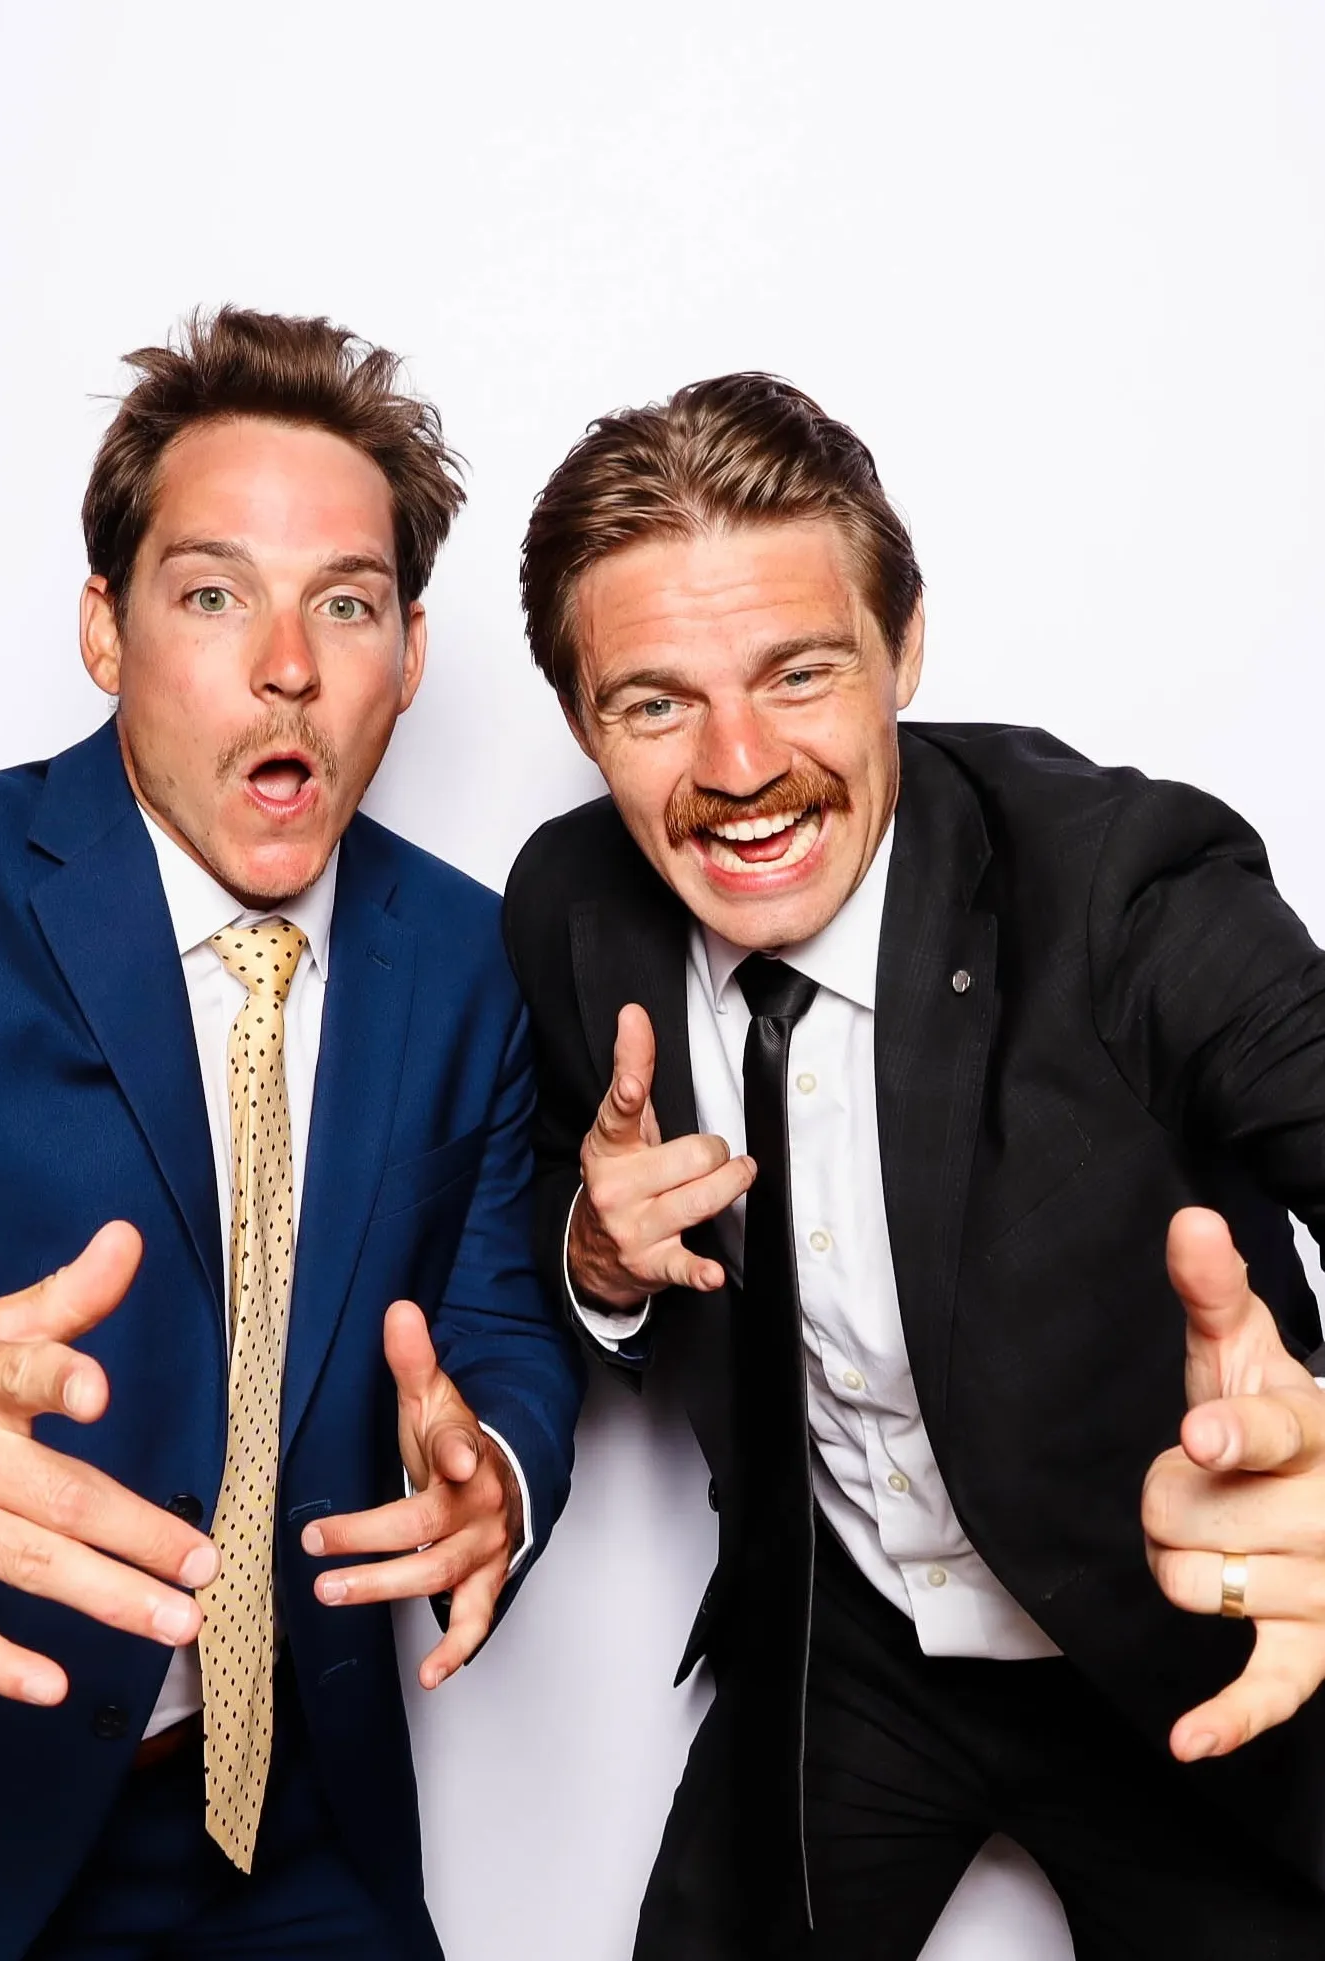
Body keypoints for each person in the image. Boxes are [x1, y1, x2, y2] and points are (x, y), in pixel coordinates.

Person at [0, 306, 584, 1961]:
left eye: (345, 604)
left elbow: (496, 1325)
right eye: (213, 594)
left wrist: (495, 1474)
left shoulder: (478, 962)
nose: (289, 664)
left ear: (410, 656)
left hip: (305, 1840)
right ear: (104, 627)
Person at [502, 371, 1325, 1958]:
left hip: (1185, 1636)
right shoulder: (575, 910)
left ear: (907, 649)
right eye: (656, 703)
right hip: (845, 1647)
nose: (740, 767)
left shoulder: (1127, 887)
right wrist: (595, 1265)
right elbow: (572, 1210)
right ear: (582, 722)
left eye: (797, 673)